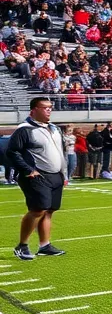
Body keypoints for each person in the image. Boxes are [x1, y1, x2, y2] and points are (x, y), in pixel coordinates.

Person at [7, 97, 68, 260]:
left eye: (50, 107)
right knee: (38, 209)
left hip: (56, 175)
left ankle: (44, 245)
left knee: (49, 211)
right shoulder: (25, 129)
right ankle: (22, 245)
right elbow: (12, 152)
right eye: (45, 107)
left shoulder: (55, 129)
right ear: (33, 110)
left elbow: (62, 152)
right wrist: (28, 170)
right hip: (36, 175)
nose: (49, 110)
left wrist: (64, 173)